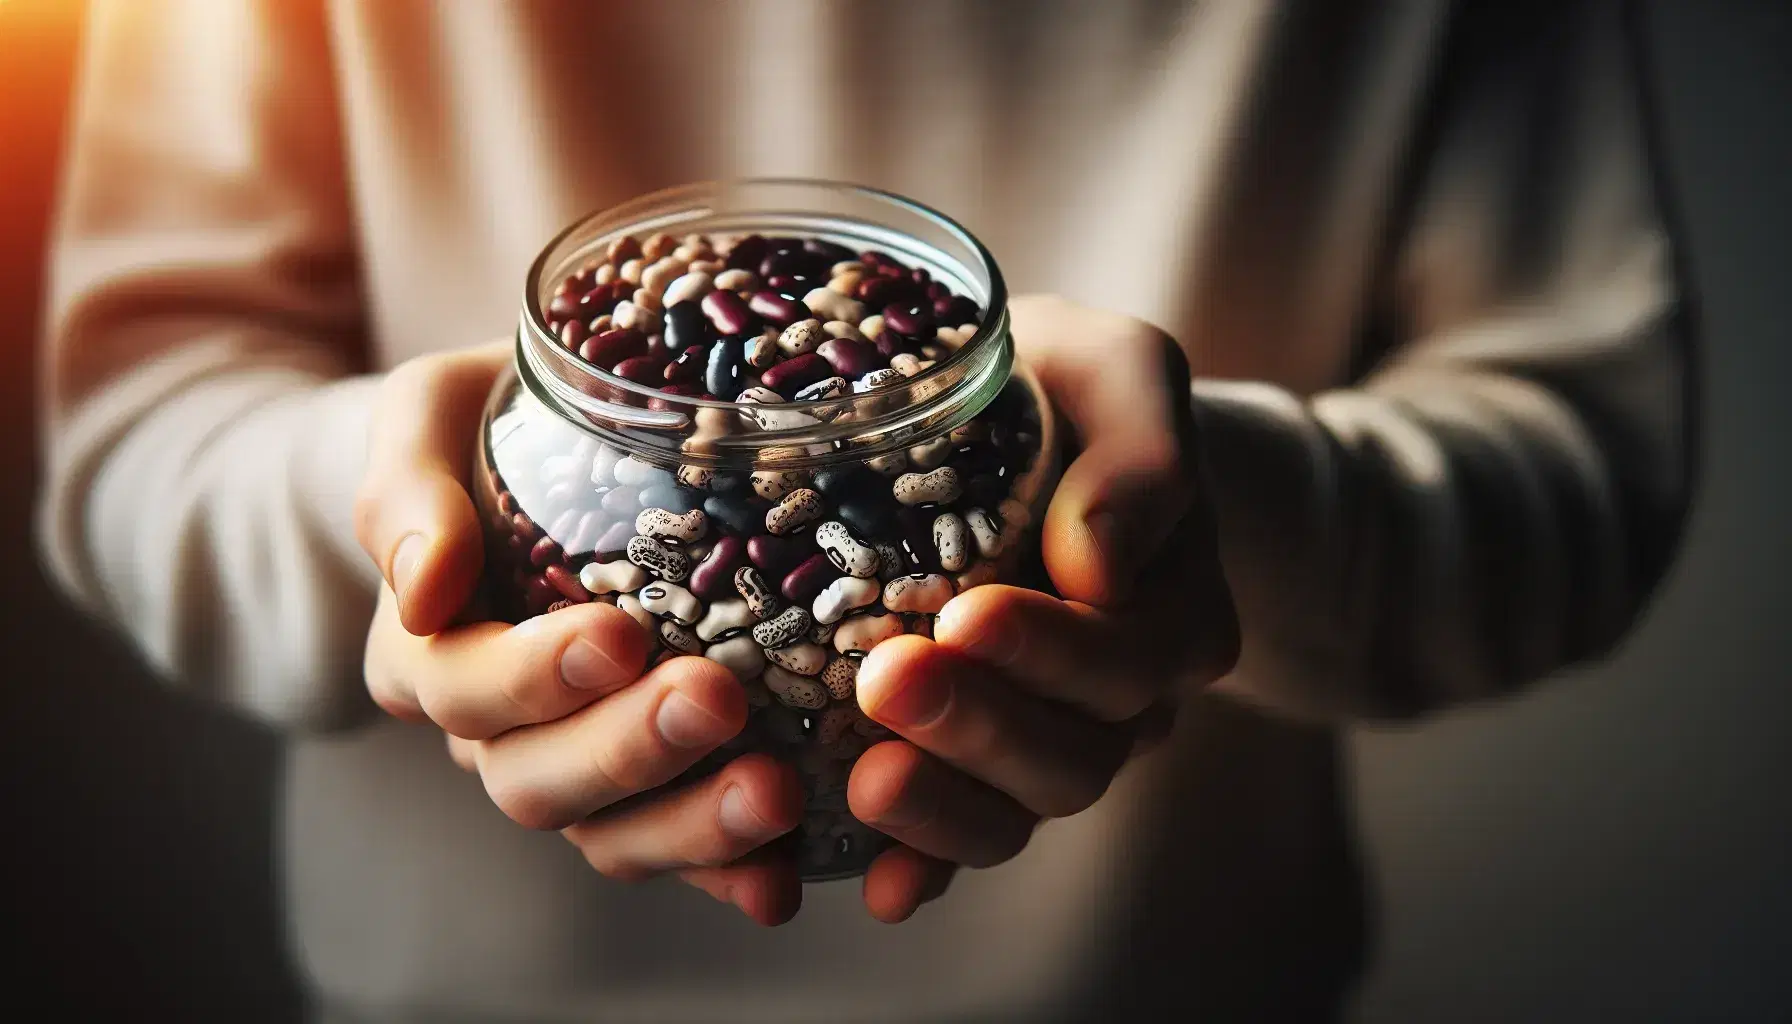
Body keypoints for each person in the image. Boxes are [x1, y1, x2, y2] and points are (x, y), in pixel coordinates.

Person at [38, 0, 1693, 1020]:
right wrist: (399, 515)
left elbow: (1585, 465)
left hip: (1160, 989)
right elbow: (133, 423)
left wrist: (1208, 512)